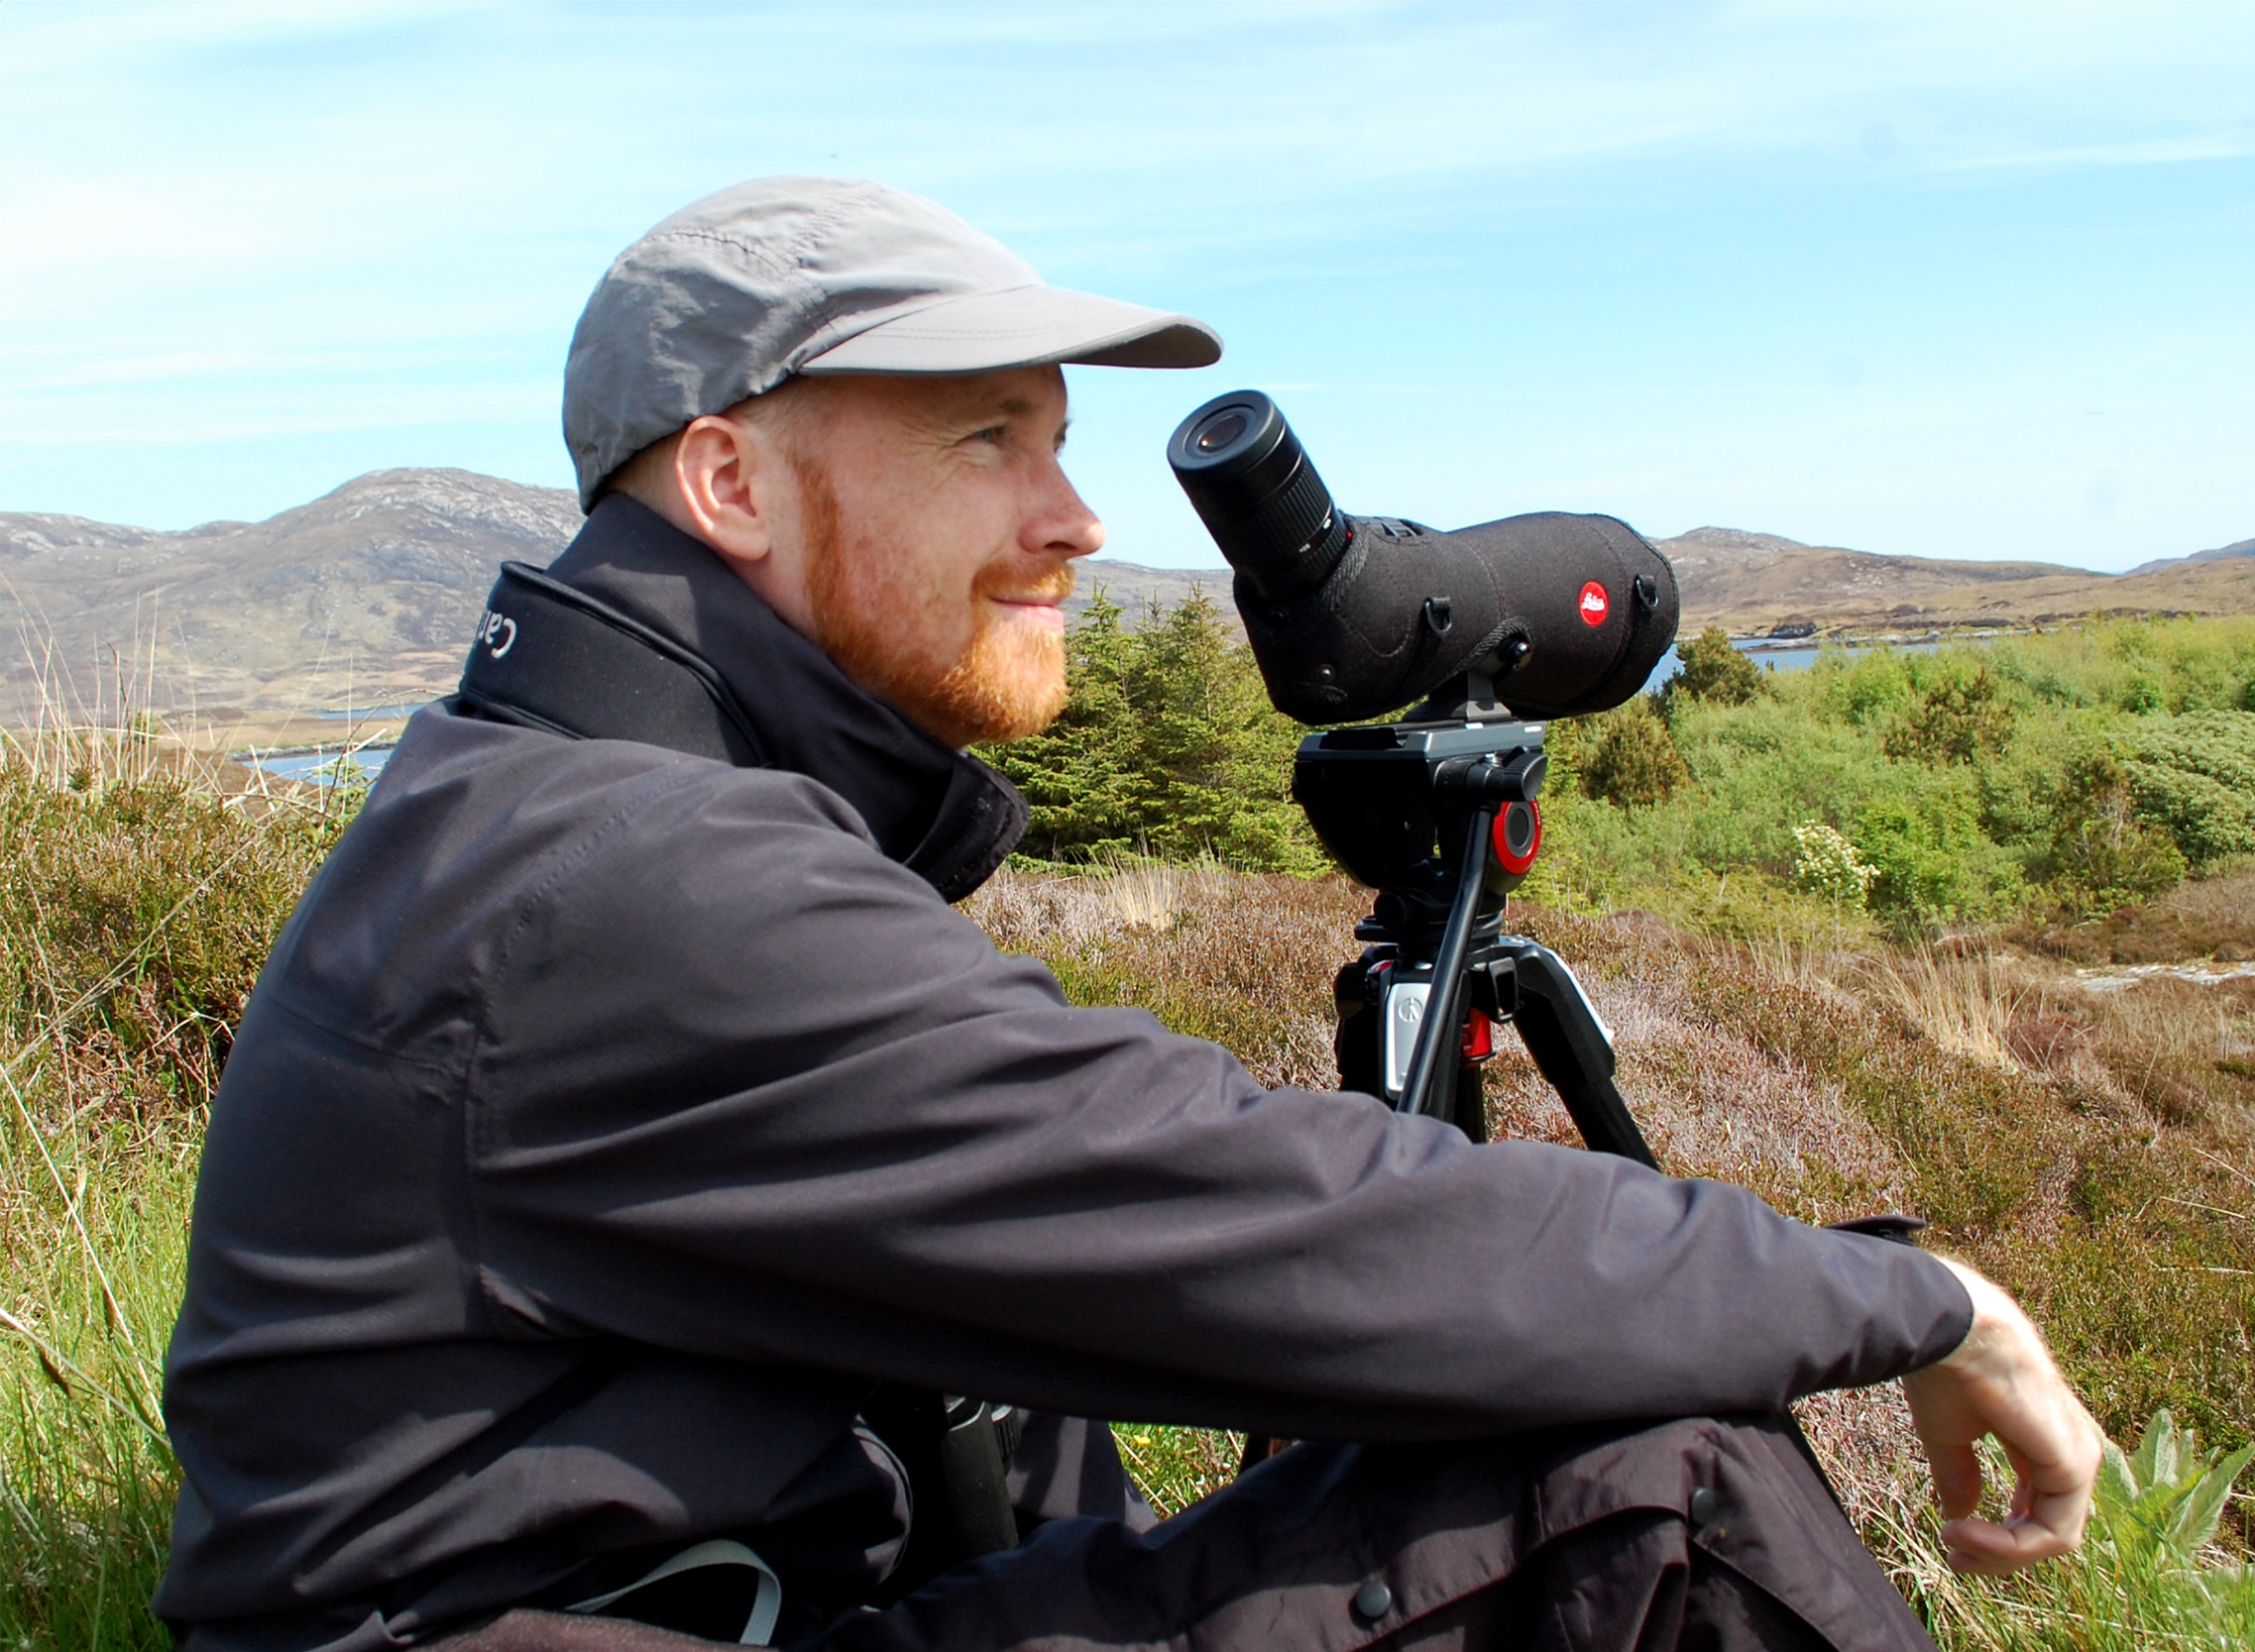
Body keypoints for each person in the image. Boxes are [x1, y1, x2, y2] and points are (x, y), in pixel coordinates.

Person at [154, 178, 2100, 1652]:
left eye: (1060, 440)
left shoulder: (570, 804)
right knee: (1647, 1485)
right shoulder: (629, 881)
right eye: (983, 438)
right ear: (729, 479)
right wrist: (1907, 1297)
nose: (1077, 517)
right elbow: (1281, 1234)